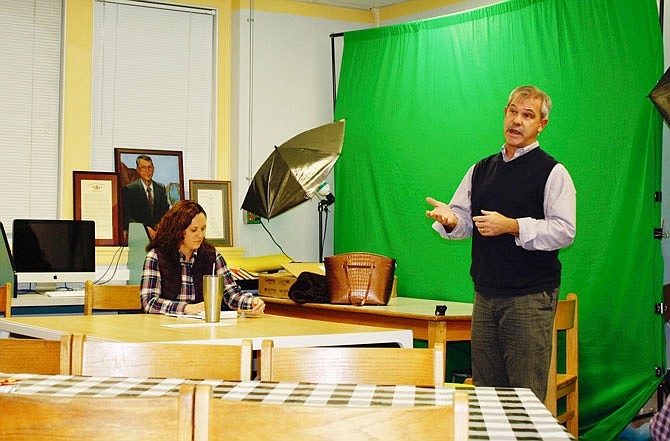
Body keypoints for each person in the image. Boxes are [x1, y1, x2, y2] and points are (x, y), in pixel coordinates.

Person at [425, 85, 576, 401]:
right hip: (485, 295)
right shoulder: (480, 169)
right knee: (486, 393)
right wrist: (452, 221)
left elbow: (564, 231)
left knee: (525, 400)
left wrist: (513, 227)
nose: (517, 121)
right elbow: (465, 221)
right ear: (504, 114)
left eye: (527, 115)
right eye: (513, 112)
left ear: (541, 125)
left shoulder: (553, 172)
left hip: (529, 298)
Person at [140, 200, 265, 316]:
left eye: (203, 229)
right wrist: (186, 308)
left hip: (201, 327)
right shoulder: (156, 257)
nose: (200, 235)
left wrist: (251, 302)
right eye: (194, 230)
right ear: (177, 230)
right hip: (164, 330)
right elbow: (149, 303)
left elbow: (231, 294)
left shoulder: (212, 256)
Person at [122, 155, 170, 238]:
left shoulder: (161, 189)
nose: (147, 171)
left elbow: (166, 213)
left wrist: (160, 226)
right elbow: (127, 218)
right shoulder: (130, 189)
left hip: (159, 236)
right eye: (143, 167)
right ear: (138, 170)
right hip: (138, 236)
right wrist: (145, 229)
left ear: (153, 169)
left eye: (149, 167)